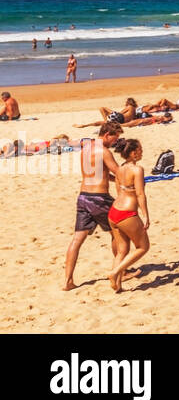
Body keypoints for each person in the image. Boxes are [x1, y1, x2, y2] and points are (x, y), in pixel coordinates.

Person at [64, 120, 124, 290]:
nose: (115, 141)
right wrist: (133, 177)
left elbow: (100, 173)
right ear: (106, 134)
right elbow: (117, 172)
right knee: (118, 232)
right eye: (115, 137)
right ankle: (121, 271)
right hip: (100, 199)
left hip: (83, 197)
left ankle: (68, 281)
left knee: (77, 239)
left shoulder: (85, 149)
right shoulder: (103, 151)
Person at [106, 138, 150, 292]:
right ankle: (115, 272)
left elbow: (119, 191)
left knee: (122, 250)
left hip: (114, 211)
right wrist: (145, 215)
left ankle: (117, 285)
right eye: (140, 149)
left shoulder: (120, 169)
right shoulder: (137, 170)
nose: (142, 151)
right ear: (132, 153)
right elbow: (140, 194)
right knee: (143, 247)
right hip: (127, 213)